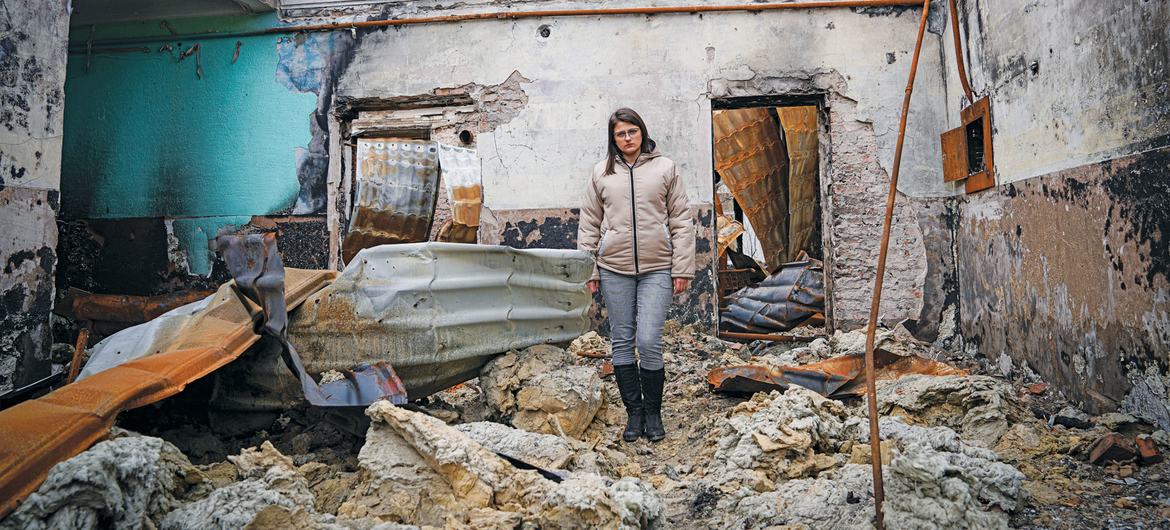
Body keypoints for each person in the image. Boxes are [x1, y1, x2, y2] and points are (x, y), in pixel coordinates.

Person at [577, 108, 695, 442]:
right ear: (613, 139)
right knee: (622, 343)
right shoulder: (601, 173)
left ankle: (654, 414)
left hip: (658, 267)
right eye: (620, 134)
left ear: (642, 132)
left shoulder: (665, 168)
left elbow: (681, 221)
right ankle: (634, 415)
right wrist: (590, 268)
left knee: (649, 341)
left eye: (632, 131)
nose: (627, 138)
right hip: (614, 268)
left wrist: (683, 266)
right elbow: (589, 222)